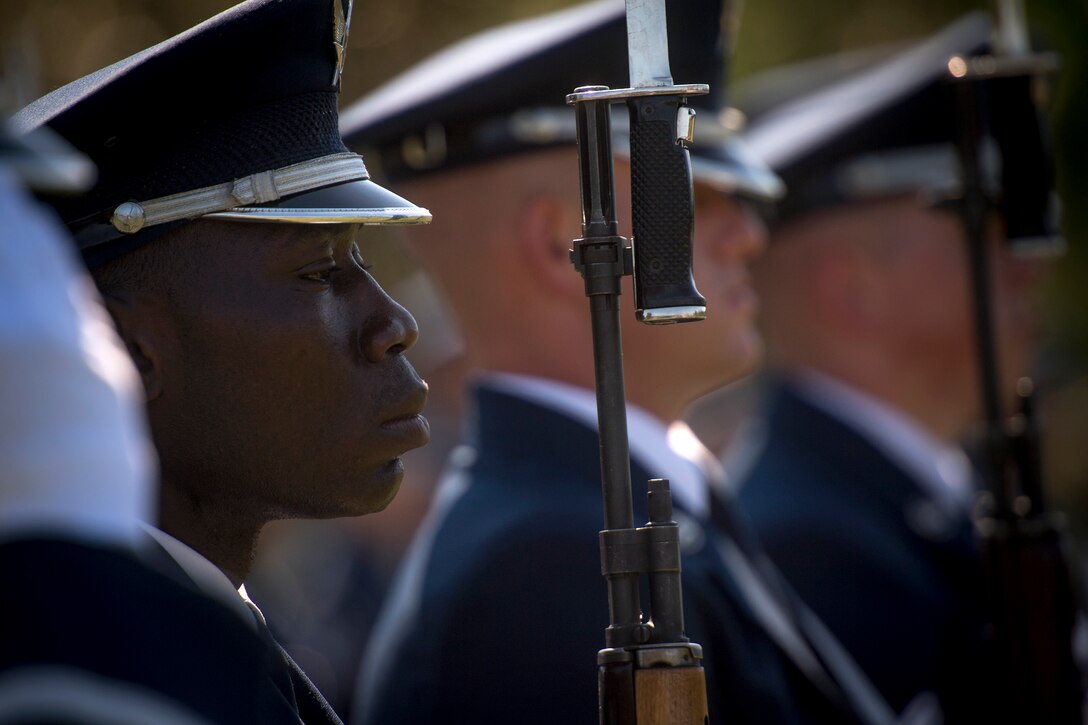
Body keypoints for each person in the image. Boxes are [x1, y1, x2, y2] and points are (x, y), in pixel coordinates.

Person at [343, 1, 896, 723]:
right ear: (559, 244)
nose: (748, 237)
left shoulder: (592, 523)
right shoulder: (546, 571)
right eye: (695, 194)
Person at [13, 1, 431, 722]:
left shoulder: (196, 646)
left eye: (358, 257)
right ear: (124, 347)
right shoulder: (95, 683)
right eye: (316, 272)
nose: (394, 324)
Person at [731, 12, 1063, 720]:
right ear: (850, 289)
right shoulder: (816, 547)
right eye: (985, 229)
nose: (1027, 273)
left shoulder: (920, 499)